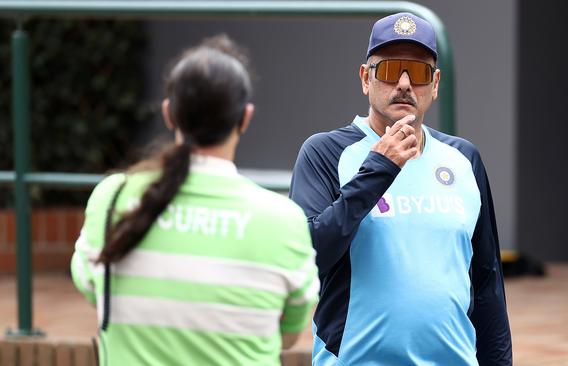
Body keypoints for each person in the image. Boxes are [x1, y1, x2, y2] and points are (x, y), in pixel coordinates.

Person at [70, 35, 319, 366]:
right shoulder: (284, 220)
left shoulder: (112, 196)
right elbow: (287, 335)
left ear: (169, 113)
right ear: (245, 118)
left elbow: (94, 289)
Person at [289, 12, 512, 365]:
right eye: (391, 70)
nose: (405, 84)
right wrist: (380, 168)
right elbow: (307, 255)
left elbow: (487, 285)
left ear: (436, 85)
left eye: (420, 73)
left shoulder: (464, 159)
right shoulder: (325, 152)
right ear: (366, 79)